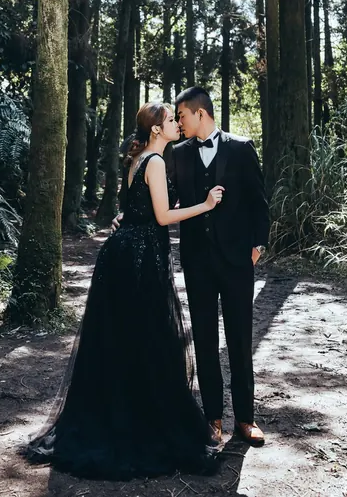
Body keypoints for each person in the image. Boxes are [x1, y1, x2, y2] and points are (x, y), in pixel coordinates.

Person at [23, 103, 224, 480]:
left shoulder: (140, 160)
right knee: (148, 341)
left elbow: (139, 209)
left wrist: (124, 218)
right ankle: (140, 427)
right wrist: (206, 204)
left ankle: (124, 417)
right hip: (139, 261)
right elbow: (162, 217)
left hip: (124, 255)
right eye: (170, 120)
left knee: (125, 342)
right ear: (156, 129)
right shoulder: (155, 162)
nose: (176, 124)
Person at [114, 86, 270, 447]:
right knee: (203, 338)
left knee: (240, 339)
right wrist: (129, 216)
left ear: (201, 113)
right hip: (198, 262)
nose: (179, 122)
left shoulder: (241, 148)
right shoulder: (178, 153)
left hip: (237, 262)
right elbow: (161, 199)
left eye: (182, 115)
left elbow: (259, 203)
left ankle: (245, 418)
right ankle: (212, 418)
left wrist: (257, 247)